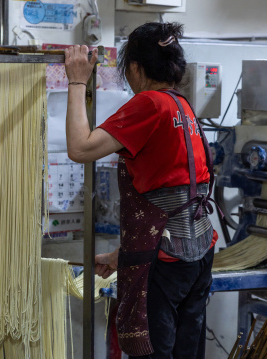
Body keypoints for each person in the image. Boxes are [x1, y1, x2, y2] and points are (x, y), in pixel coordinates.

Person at [64, 22, 220, 359]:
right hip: (197, 254)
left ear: (135, 67)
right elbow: (172, 195)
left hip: (166, 261)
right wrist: (121, 256)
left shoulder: (150, 104)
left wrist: (76, 82)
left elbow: (79, 148)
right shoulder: (183, 107)